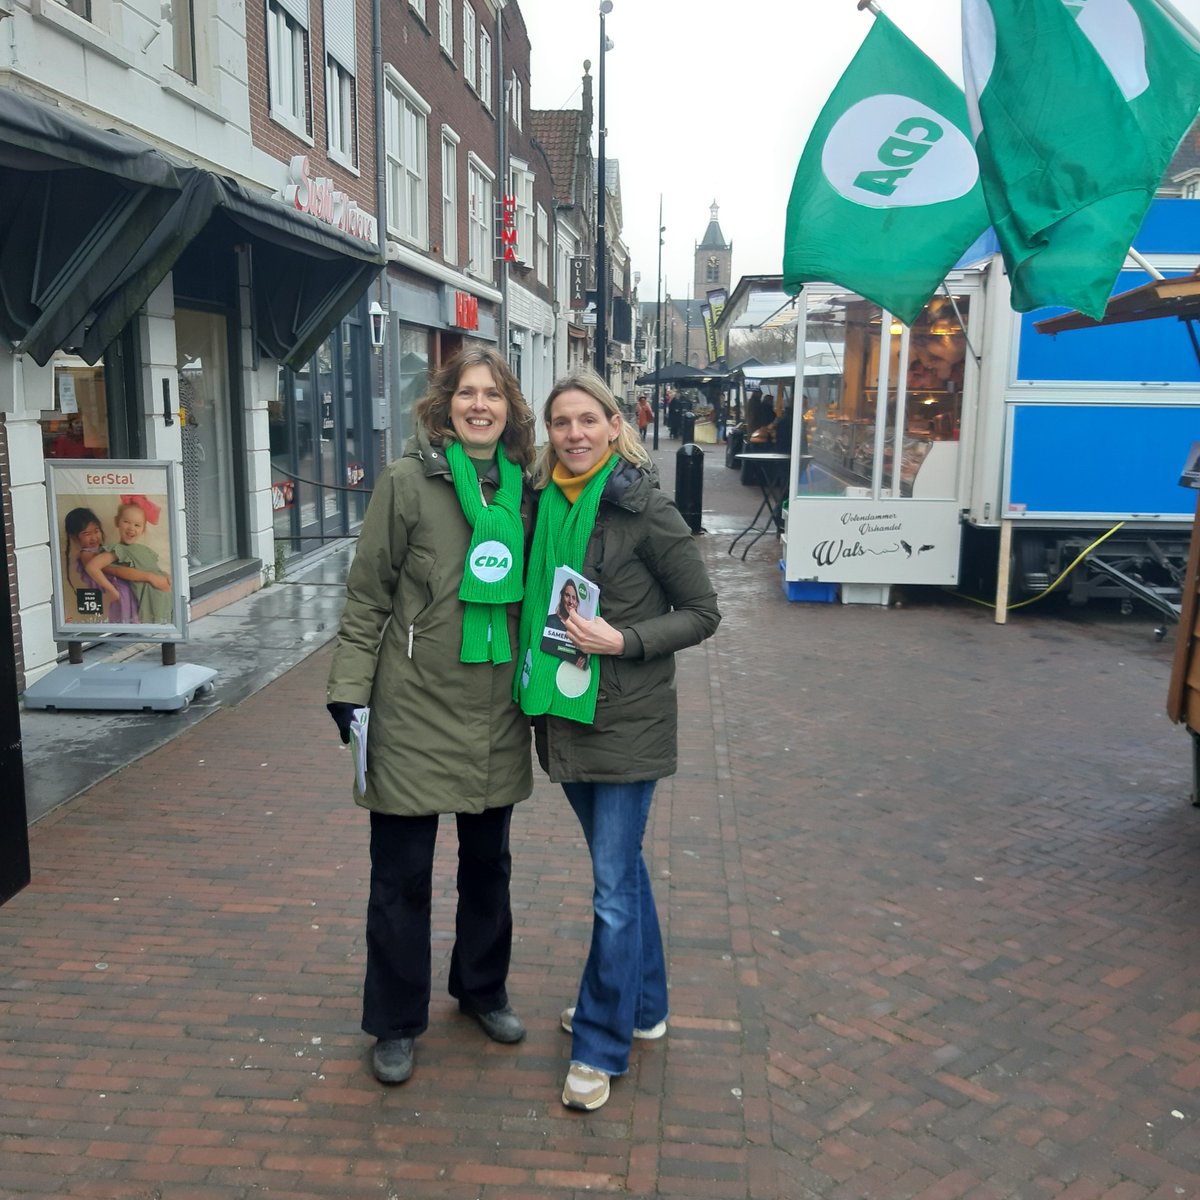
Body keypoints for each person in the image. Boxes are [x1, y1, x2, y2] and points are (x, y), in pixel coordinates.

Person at [325, 346, 536, 1087]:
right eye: (467, 394)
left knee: (488, 869)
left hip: (496, 707)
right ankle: (394, 1020)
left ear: (510, 409)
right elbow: (367, 595)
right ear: (445, 403)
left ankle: (482, 989)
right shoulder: (406, 483)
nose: (481, 406)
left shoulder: (527, 490)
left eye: (494, 395)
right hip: (413, 704)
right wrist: (350, 689)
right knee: (401, 878)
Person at [515, 368, 721, 1112]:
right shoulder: (542, 504)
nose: (573, 434)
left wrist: (623, 638)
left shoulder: (645, 508)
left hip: (625, 720)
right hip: (562, 712)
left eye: (586, 421)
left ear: (614, 424)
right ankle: (644, 1006)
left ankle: (600, 1047)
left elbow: (702, 612)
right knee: (622, 876)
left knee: (610, 889)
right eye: (560, 422)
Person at [85, 500, 172, 624]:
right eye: (126, 522)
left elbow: (151, 568)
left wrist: (166, 575)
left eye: (137, 525)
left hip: (165, 604)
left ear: (143, 529)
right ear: (117, 522)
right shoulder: (119, 549)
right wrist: (112, 591)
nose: (131, 528)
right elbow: (92, 567)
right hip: (150, 608)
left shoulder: (145, 550)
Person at [62, 506, 138, 624]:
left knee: (128, 615)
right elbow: (102, 569)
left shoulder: (101, 550)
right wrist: (113, 591)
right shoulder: (86, 554)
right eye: (86, 533)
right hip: (112, 591)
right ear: (74, 537)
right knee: (121, 619)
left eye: (96, 531)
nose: (94, 537)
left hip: (120, 590)